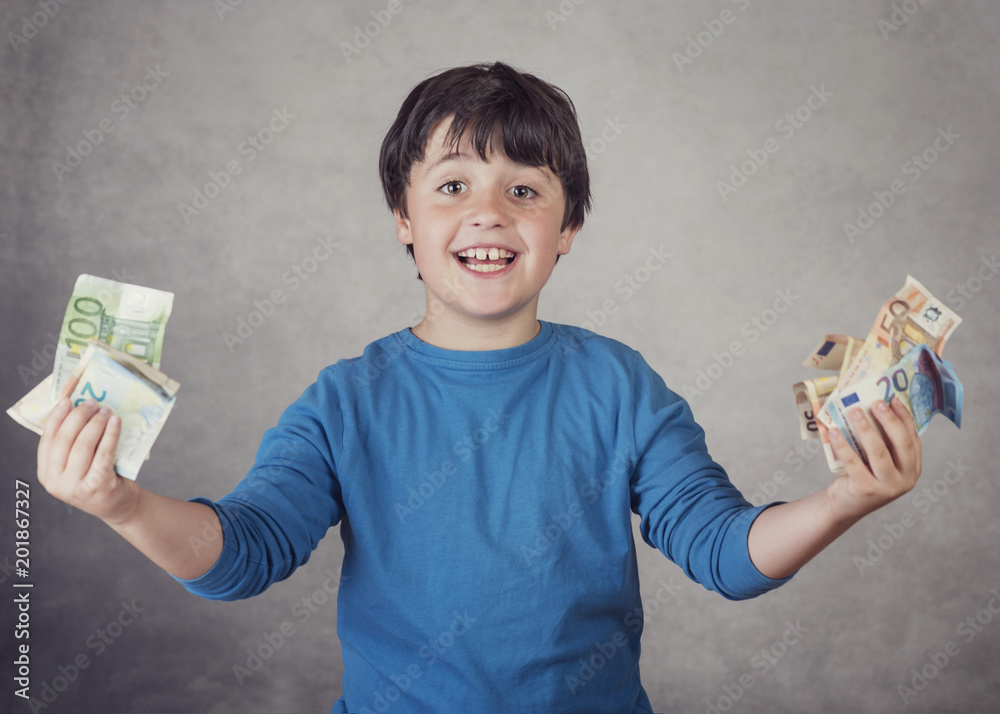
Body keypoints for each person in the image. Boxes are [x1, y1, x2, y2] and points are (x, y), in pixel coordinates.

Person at [36, 62, 923, 714]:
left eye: (525, 191)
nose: (489, 212)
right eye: (453, 184)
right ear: (404, 220)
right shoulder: (345, 401)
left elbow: (727, 554)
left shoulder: (620, 385)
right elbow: (242, 555)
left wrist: (843, 501)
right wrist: (119, 504)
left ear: (568, 225)